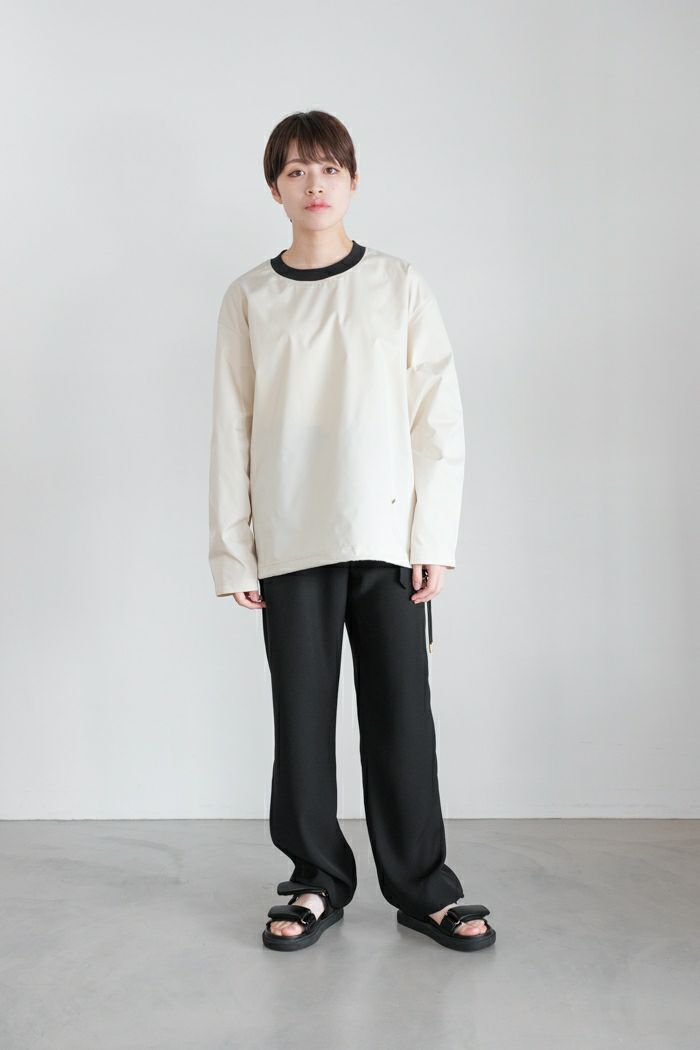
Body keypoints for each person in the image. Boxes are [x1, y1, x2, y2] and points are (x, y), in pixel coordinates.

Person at [208, 110, 496, 953]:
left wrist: (433, 538)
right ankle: (314, 881)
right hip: (291, 536)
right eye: (296, 171)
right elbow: (231, 426)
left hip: (387, 537)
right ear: (274, 188)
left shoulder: (398, 284)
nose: (314, 185)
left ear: (354, 180)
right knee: (301, 721)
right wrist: (234, 549)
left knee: (403, 717)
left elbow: (437, 418)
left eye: (329, 168)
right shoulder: (250, 298)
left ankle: (424, 888)